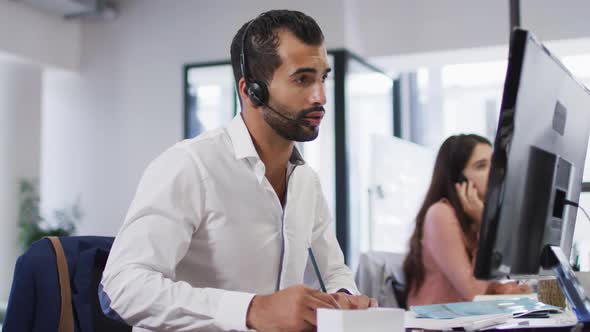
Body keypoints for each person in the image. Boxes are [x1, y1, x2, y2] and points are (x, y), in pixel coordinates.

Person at [99, 9, 375, 332]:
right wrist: (252, 309)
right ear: (251, 91)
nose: (321, 97)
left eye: (322, 78)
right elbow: (121, 287)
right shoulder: (190, 166)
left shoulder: (306, 182)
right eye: (302, 79)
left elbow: (334, 272)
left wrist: (344, 297)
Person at [403, 134, 531, 306]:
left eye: (495, 163)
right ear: (459, 181)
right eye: (481, 166)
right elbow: (473, 293)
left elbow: (479, 285)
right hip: (434, 324)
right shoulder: (440, 213)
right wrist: (487, 229)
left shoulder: (472, 220)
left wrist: (501, 289)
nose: (494, 172)